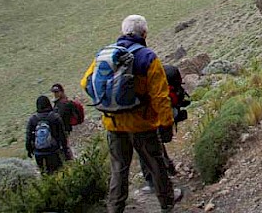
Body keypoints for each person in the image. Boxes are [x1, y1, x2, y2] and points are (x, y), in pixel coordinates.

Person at [81, 14, 183, 213]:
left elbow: (85, 82)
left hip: (114, 124)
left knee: (118, 169)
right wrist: (166, 124)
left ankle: (115, 207)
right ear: (144, 33)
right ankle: (167, 203)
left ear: (123, 31)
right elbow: (160, 97)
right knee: (155, 165)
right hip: (142, 124)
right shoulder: (148, 57)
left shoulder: (105, 54)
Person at [139, 64, 191, 193]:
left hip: (156, 118)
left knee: (148, 147)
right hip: (168, 113)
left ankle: (158, 184)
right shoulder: (164, 81)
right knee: (157, 145)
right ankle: (168, 169)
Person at [25, 95, 67, 174]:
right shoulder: (54, 117)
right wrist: (65, 151)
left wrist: (29, 150)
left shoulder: (33, 119)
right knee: (58, 173)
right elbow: (62, 136)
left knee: (45, 174)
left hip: (39, 153)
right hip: (53, 151)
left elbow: (28, 137)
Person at [50, 83, 74, 160]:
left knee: (65, 147)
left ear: (61, 92)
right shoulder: (60, 103)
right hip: (64, 130)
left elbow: (59, 117)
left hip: (64, 130)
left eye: (56, 92)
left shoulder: (62, 104)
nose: (55, 94)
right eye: (54, 92)